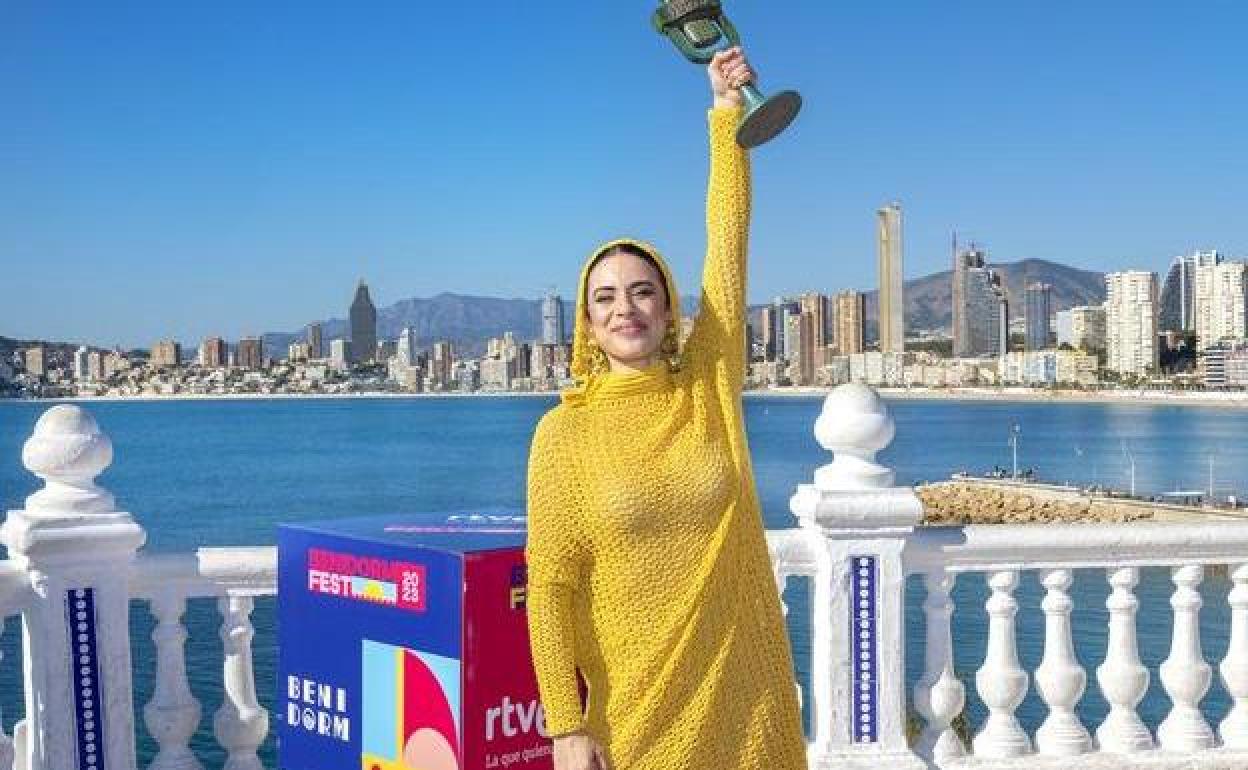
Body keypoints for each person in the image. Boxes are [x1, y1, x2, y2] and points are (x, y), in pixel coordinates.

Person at [524, 47, 806, 770]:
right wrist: (564, 725)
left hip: (746, 697)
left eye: (642, 291)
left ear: (668, 308)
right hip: (636, 710)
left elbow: (727, 245)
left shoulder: (708, 386)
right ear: (588, 324)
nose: (626, 307)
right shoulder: (564, 434)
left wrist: (725, 115)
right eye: (606, 297)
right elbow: (550, 586)